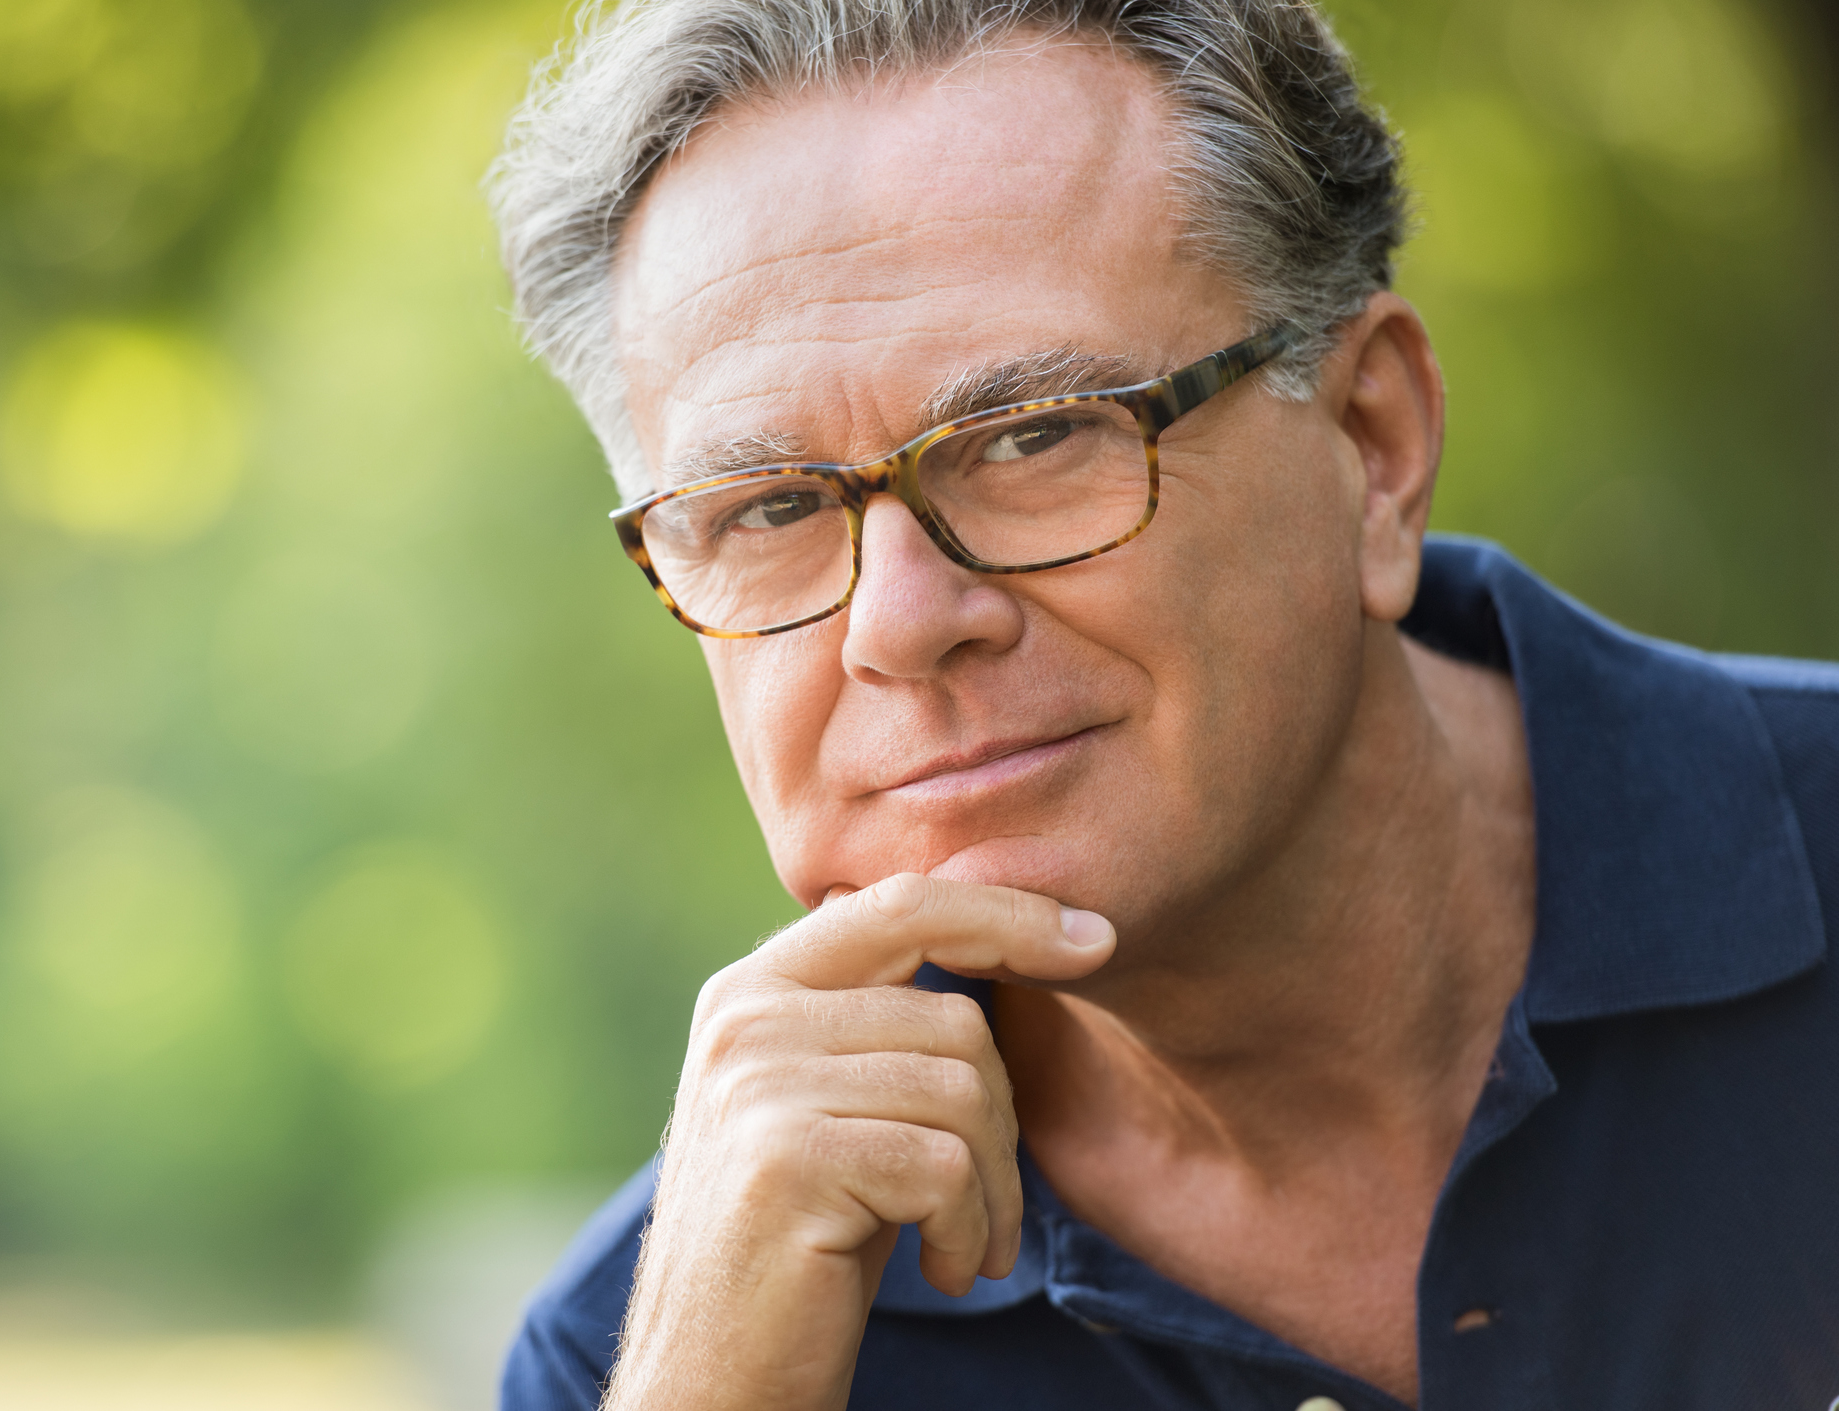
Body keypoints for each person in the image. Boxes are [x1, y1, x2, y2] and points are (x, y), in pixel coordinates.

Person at [486, 2, 1839, 1407]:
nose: (898, 624)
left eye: (1033, 436)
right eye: (764, 508)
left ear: (1371, 444)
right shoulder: (653, 1356)